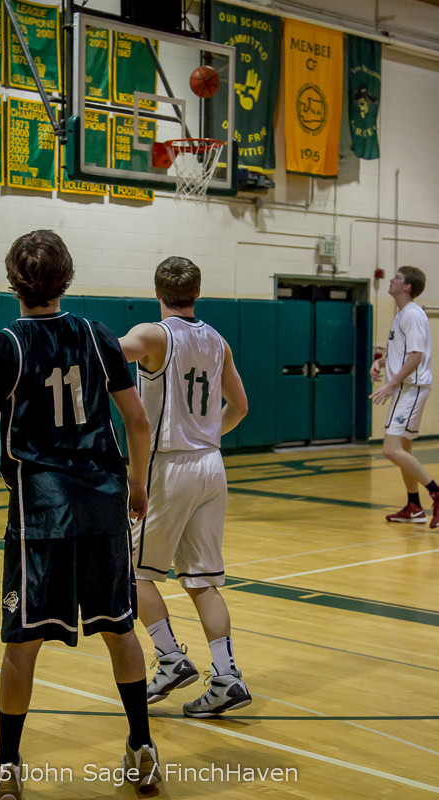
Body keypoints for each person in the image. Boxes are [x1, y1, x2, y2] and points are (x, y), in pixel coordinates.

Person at [0, 230, 161, 800]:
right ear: (66, 276)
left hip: (41, 514)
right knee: (119, 628)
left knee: (23, 643)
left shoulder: (3, 347)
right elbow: (137, 422)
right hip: (103, 502)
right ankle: (142, 748)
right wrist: (135, 484)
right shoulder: (97, 336)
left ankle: (10, 766)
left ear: (12, 279)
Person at [119, 256, 251, 718]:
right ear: (198, 292)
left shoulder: (154, 334)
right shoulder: (217, 340)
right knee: (203, 581)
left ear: (158, 293)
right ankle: (227, 676)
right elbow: (241, 405)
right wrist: (209, 435)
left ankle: (172, 658)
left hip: (168, 465)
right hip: (211, 465)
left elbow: (107, 355)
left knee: (134, 573)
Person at [370, 266, 439, 527]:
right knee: (404, 448)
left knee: (391, 449)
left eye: (397, 277)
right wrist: (382, 363)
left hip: (410, 388)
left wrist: (391, 384)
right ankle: (414, 506)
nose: (391, 280)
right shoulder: (402, 315)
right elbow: (405, 353)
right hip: (406, 387)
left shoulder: (412, 314)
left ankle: (436, 493)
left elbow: (417, 355)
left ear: (407, 286)